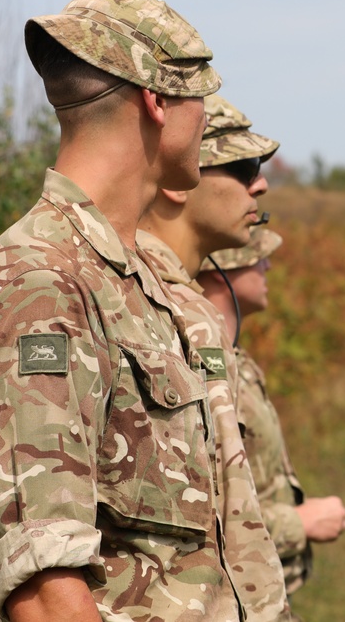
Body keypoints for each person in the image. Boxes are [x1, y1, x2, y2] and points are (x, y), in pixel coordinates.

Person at [0, 0, 242, 621]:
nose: (207, 119)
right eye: (202, 96)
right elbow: (45, 590)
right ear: (159, 100)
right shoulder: (44, 280)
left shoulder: (131, 276)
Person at [135, 93, 290, 621]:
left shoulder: (189, 312)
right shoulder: (126, 308)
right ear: (180, 179)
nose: (261, 185)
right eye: (242, 167)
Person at [199, 228, 345, 607]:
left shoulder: (237, 361)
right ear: (221, 267)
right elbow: (199, 508)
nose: (267, 266)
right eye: (257, 257)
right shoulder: (203, 366)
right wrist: (297, 523)